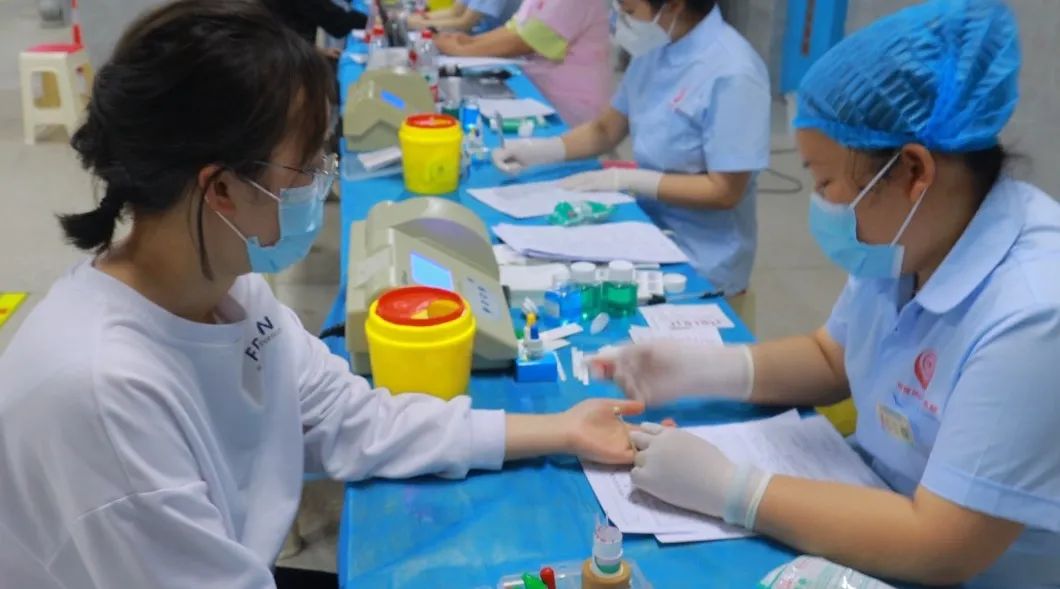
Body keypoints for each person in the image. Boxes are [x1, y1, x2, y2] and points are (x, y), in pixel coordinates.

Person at [0, 2, 643, 588]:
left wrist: (562, 429)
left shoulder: (228, 291)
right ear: (220, 189)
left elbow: (353, 419)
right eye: (307, 167)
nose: (321, 183)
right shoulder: (102, 391)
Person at [594, 1, 1060, 587]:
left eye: (825, 181)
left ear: (914, 172)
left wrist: (733, 489)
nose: (822, 203)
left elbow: (941, 546)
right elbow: (831, 357)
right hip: (871, 498)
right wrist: (697, 370)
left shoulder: (1034, 313)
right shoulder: (910, 235)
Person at [490, 0, 770, 317]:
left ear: (674, 6)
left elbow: (725, 191)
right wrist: (539, 150)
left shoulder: (733, 73)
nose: (619, 19)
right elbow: (606, 129)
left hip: (701, 262)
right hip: (646, 230)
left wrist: (628, 179)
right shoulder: (657, 47)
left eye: (630, 11)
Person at [433, 0, 612, 126]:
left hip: (567, 104)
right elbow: (516, 27)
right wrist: (470, 42)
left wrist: (460, 49)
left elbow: (525, 40)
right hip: (538, 88)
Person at [408, 0, 522, 34]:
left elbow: (465, 23)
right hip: (477, 37)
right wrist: (422, 17)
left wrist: (421, 24)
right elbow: (455, 12)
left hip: (498, 41)